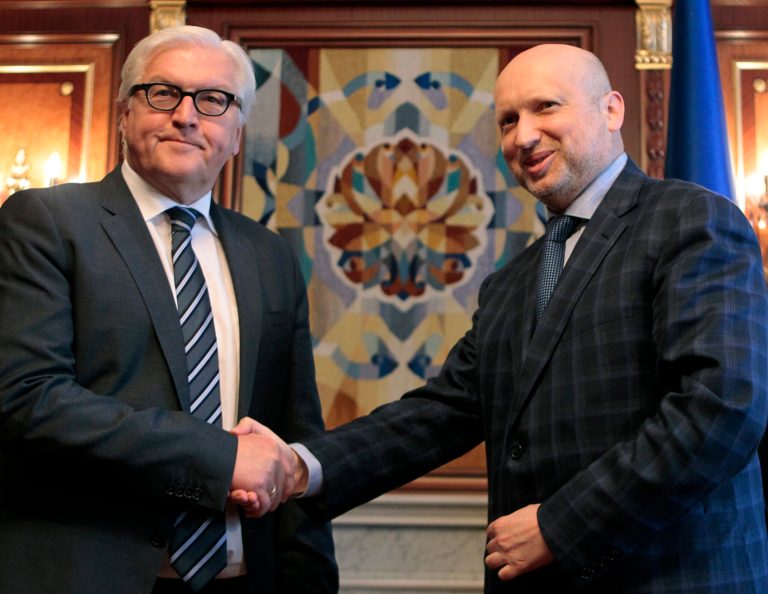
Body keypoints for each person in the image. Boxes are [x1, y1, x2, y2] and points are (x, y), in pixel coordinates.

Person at [233, 44, 768, 593]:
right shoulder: (512, 283)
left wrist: (559, 526)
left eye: (546, 107)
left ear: (611, 110)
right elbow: (440, 413)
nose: (524, 135)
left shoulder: (690, 219)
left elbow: (720, 409)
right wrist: (300, 466)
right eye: (509, 120)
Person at [0, 25, 337, 594]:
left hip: (242, 578)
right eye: (164, 93)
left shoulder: (269, 256)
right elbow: (28, 398)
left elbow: (294, 429)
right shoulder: (47, 221)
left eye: (213, 101)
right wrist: (221, 456)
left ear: (234, 134)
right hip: (88, 575)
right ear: (124, 115)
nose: (187, 115)